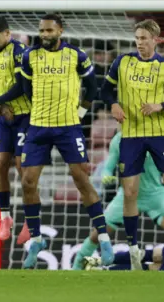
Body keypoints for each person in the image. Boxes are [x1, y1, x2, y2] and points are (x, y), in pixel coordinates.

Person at [100, 19, 164, 270]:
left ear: (155, 40)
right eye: (137, 38)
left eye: (144, 38)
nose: (140, 42)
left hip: (160, 134)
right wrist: (113, 103)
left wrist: (162, 106)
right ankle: (133, 250)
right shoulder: (122, 62)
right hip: (130, 135)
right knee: (130, 192)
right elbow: (104, 90)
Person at [19, 14, 113, 268]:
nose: (45, 35)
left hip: (68, 128)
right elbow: (25, 88)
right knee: (28, 182)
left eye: (49, 30)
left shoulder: (76, 55)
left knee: (81, 179)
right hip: (38, 127)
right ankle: (37, 239)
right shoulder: (30, 56)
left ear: (60, 30)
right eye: (42, 31)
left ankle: (104, 238)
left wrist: (80, 114)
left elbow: (93, 89)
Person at [72, 130, 164, 270]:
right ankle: (77, 266)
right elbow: (109, 165)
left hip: (155, 195)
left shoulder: (159, 135)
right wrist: (106, 174)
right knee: (98, 234)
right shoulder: (119, 139)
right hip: (126, 195)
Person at [0, 16, 31, 244]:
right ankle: (5, 217)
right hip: (5, 117)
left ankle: (30, 218)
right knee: (1, 163)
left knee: (23, 168)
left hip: (25, 116)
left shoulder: (20, 52)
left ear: (7, 33)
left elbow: (23, 85)